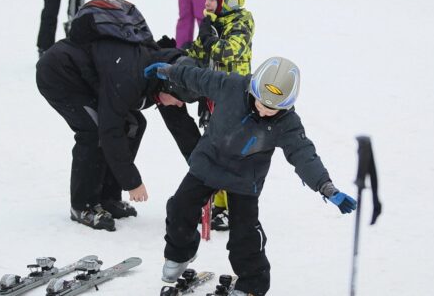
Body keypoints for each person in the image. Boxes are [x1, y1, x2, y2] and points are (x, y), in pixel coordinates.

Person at [144, 57, 358, 296]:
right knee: (179, 208)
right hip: (208, 163)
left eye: (273, 108)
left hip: (245, 179)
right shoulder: (231, 86)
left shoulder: (287, 123)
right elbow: (197, 77)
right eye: (261, 102)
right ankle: (180, 254)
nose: (265, 110)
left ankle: (252, 284)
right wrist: (169, 71)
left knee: (244, 236)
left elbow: (303, 154)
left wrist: (326, 187)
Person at [36, 0, 201, 232]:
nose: (177, 105)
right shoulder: (130, 75)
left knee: (134, 124)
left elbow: (183, 130)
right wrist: (133, 181)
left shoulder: (165, 70)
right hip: (60, 76)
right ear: (168, 88)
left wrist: (206, 173)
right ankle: (83, 205)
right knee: (93, 132)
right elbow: (110, 129)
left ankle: (108, 198)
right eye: (178, 100)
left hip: (92, 79)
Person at [184, 0, 255, 231]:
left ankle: (231, 206)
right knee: (215, 149)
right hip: (214, 96)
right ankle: (216, 201)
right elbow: (200, 52)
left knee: (231, 153)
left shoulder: (243, 21)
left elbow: (230, 51)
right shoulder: (213, 21)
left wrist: (211, 38)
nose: (208, 4)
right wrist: (180, 54)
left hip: (237, 99)